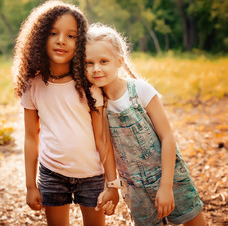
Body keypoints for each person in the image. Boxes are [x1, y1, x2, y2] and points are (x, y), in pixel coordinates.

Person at [85, 23, 207, 226]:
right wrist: (112, 185)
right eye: (88, 63)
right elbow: (104, 145)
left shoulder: (140, 90)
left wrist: (166, 187)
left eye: (103, 61)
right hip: (134, 188)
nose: (96, 68)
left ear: (119, 62)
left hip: (170, 177)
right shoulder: (97, 103)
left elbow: (167, 137)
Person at [12, 0, 119, 226]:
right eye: (53, 33)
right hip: (52, 174)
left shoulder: (89, 85)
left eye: (71, 36)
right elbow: (31, 137)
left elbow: (103, 138)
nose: (62, 40)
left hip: (91, 175)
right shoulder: (33, 85)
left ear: (80, 42)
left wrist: (112, 184)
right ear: (40, 37)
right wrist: (31, 185)